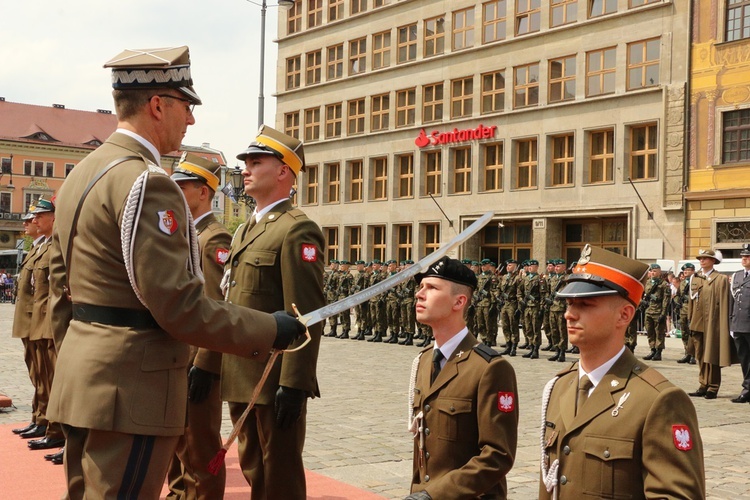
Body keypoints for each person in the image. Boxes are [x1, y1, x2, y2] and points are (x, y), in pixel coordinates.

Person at [46, 47, 304, 499]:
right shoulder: (148, 182)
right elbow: (180, 308)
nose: (191, 121)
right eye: (186, 106)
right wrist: (272, 329)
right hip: (132, 388)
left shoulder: (84, 171)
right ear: (157, 105)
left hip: (84, 378)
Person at [539, 244, 705, 499]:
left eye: (585, 304)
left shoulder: (657, 400)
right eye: (569, 304)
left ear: (624, 315)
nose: (569, 315)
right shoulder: (559, 387)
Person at [221, 125, 325, 500]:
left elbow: (306, 315)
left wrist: (294, 384)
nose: (246, 169)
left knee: (279, 476)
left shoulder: (297, 230)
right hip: (241, 372)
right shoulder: (245, 229)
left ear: (283, 171)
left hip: (273, 376)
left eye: (256, 161)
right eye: (245, 162)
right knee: (254, 470)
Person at [406, 256, 518, 499]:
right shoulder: (425, 361)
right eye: (420, 287)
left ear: (459, 301)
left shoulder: (489, 368)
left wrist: (433, 495)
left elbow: (497, 456)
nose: (419, 294)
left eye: (432, 288)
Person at [166, 153, 230, 498]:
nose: (175, 190)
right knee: (177, 446)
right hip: (178, 356)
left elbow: (216, 306)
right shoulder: (189, 233)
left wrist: (205, 364)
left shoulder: (213, 239)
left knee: (199, 448)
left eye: (183, 185)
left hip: (196, 362)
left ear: (204, 191)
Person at [11, 210, 44, 438]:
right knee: (37, 373)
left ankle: (49, 424)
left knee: (45, 374)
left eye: (36, 217)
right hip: (29, 321)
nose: (29, 222)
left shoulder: (53, 248)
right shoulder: (36, 247)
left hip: (41, 322)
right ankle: (40, 418)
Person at [687, 249, 735, 399]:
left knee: (712, 355)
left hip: (714, 323)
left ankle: (713, 387)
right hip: (698, 322)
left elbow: (726, 303)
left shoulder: (720, 279)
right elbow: (691, 302)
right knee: (699, 354)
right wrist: (690, 319)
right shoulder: (695, 278)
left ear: (713, 261)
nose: (702, 261)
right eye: (700, 258)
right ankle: (703, 384)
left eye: (706, 258)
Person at [730, 243, 750, 403]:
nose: (744, 259)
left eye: (747, 256)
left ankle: (748, 389)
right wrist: (731, 323)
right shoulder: (736, 276)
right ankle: (747, 387)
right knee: (744, 358)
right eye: (742, 256)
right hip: (738, 324)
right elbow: (733, 301)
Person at [641, 263, 670, 361]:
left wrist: (663, 313)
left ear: (659, 272)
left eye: (655, 271)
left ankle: (658, 351)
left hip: (658, 311)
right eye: (651, 271)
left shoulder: (664, 284)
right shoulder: (648, 282)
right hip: (648, 310)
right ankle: (652, 349)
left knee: (659, 332)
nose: (653, 273)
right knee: (650, 331)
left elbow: (666, 300)